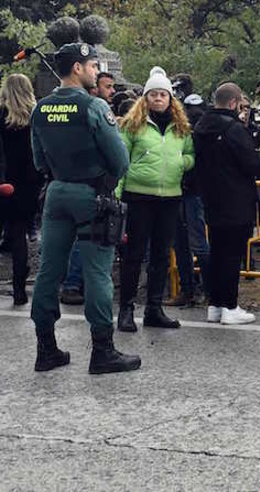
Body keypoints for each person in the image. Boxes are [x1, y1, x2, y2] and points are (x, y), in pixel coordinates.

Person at [29, 42, 140, 374]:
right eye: (92, 65)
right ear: (77, 68)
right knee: (97, 273)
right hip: (91, 195)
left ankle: (46, 349)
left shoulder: (40, 109)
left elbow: (38, 162)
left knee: (49, 271)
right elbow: (121, 161)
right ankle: (102, 351)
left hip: (56, 193)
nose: (96, 71)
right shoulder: (93, 107)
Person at [115, 68, 194, 332]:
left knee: (161, 255)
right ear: (145, 98)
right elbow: (120, 159)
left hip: (169, 197)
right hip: (138, 196)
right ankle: (126, 309)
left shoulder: (181, 128)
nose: (158, 98)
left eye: (163, 94)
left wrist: (182, 162)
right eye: (153, 94)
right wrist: (117, 194)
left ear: (171, 99)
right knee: (133, 256)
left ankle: (154, 308)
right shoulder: (132, 125)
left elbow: (191, 154)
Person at [193, 83, 260, 325]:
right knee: (233, 254)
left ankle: (215, 304)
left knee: (217, 251)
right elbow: (252, 163)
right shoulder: (234, 129)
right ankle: (230, 306)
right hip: (236, 198)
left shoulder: (201, 126)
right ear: (234, 102)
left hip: (211, 198)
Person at [60, 71, 117, 306]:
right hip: (91, 185)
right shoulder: (92, 110)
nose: (112, 91)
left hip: (83, 183)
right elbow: (117, 155)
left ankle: (76, 283)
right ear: (95, 89)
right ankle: (74, 284)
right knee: (88, 236)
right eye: (107, 86)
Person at [166, 93, 211, 307]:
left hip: (188, 192)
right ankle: (197, 291)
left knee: (190, 244)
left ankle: (195, 290)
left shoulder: (191, 130)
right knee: (189, 243)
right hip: (184, 191)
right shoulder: (191, 129)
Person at [0, 74, 41, 306]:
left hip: (4, 180)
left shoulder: (1, 115)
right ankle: (19, 289)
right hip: (27, 184)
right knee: (19, 237)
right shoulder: (35, 116)